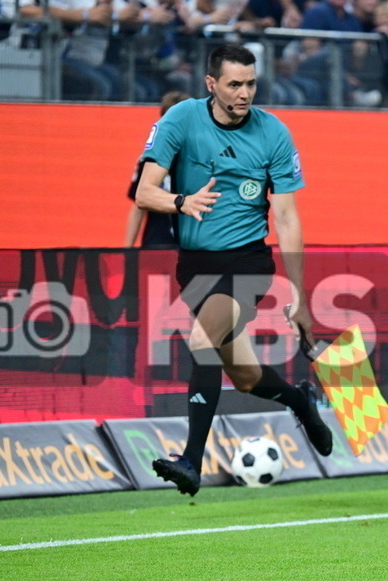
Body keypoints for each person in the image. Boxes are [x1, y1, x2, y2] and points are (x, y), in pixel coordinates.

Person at [135, 43, 332, 496]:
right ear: (211, 84)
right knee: (244, 377)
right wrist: (182, 201)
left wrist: (299, 296)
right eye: (234, 84)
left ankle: (191, 460)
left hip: (247, 263)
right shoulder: (181, 119)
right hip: (194, 267)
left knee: (201, 341)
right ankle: (301, 400)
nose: (244, 93)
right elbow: (145, 193)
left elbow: (287, 217)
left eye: (250, 84)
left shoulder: (273, 133)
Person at [125, 90, 192, 247]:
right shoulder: (149, 160)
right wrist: (127, 251)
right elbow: (138, 206)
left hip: (192, 246)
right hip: (156, 245)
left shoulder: (204, 158)